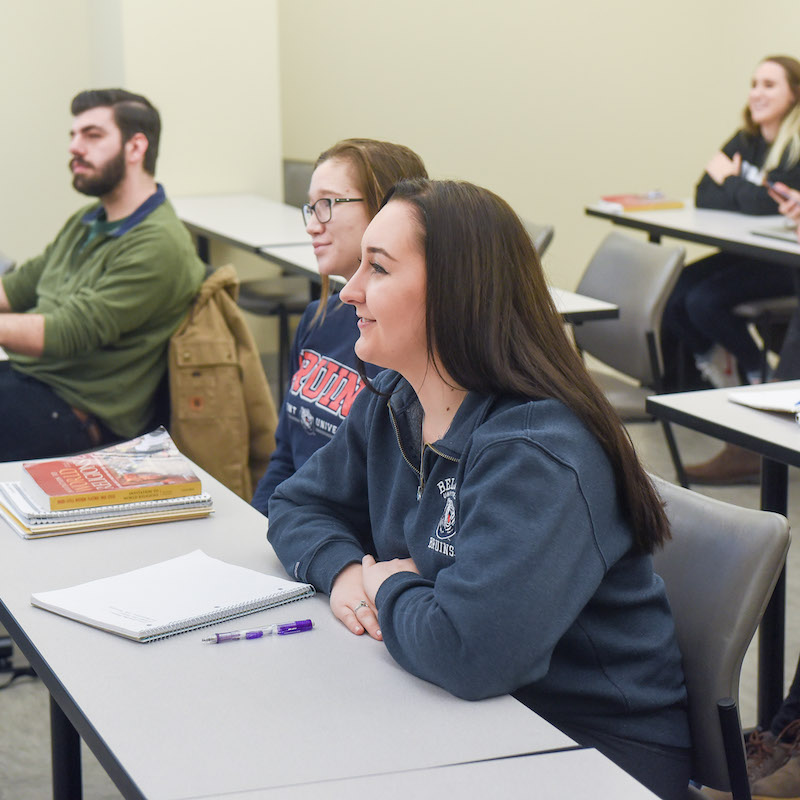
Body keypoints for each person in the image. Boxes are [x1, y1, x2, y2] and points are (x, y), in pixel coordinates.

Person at [268, 179, 692, 800]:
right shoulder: (395, 397)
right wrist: (344, 575)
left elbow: (470, 650)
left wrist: (387, 584)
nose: (351, 290)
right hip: (466, 712)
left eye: (378, 269)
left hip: (590, 748)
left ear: (454, 295)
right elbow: (297, 503)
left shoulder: (536, 452)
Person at [0, 89, 205, 461]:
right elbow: (15, 288)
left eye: (92, 135)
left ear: (135, 147)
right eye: (74, 136)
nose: (74, 147)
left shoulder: (158, 243)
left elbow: (67, 332)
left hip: (74, 410)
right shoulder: (88, 220)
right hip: (30, 380)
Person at [250, 139, 427, 513]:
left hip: (342, 552)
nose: (313, 226)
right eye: (310, 208)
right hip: (293, 527)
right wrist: (259, 527)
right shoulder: (319, 318)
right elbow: (285, 456)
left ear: (386, 207)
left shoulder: (409, 347)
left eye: (327, 205)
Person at [661, 55, 800, 405]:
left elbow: (763, 204)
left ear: (795, 94)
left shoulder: (795, 147)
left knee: (703, 300)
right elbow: (704, 193)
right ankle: (721, 372)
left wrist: (731, 179)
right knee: (674, 291)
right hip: (748, 251)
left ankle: (756, 374)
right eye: (754, 84)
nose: (756, 93)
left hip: (784, 261)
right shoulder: (746, 138)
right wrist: (742, 187)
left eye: (769, 85)